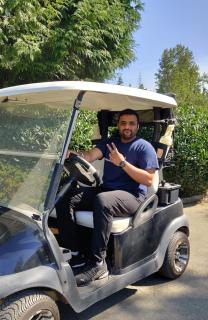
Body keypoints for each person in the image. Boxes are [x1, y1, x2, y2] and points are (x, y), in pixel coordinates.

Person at [56, 109, 159, 286]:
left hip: (133, 196)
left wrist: (122, 163)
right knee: (66, 197)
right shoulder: (111, 142)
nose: (127, 127)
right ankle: (76, 254)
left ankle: (98, 264)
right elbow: (89, 156)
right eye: (123, 123)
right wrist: (74, 154)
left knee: (103, 200)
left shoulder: (143, 147)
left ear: (137, 126)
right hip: (107, 189)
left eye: (131, 123)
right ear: (118, 125)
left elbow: (149, 179)